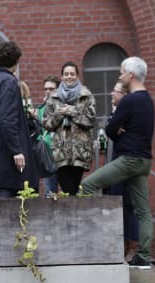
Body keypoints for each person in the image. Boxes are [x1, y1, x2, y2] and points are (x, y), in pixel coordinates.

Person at [80, 57, 155, 270]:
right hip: (144, 161)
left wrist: (119, 129)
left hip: (128, 159)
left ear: (130, 75)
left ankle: (91, 237)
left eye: (122, 72)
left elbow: (110, 129)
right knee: (142, 210)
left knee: (87, 185)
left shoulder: (129, 100)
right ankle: (144, 257)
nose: (119, 75)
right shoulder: (148, 100)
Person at [0, 41, 38, 197]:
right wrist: (17, 150)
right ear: (17, 61)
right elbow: (7, 119)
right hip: (7, 166)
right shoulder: (9, 82)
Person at [42, 61, 96, 196]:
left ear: (77, 76)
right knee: (68, 189)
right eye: (66, 74)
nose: (69, 77)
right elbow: (47, 124)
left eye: (72, 74)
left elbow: (91, 120)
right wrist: (59, 115)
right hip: (60, 152)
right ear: (61, 77)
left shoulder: (86, 95)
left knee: (73, 189)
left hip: (80, 151)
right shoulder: (54, 97)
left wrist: (72, 112)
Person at [105, 81, 140, 262]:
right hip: (114, 166)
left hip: (127, 165)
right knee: (118, 205)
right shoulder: (115, 113)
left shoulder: (130, 114)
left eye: (115, 92)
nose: (112, 94)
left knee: (130, 207)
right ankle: (123, 244)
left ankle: (133, 246)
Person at [37, 76, 61, 196]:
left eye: (51, 88)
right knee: (49, 193)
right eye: (45, 89)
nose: (47, 91)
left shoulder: (63, 106)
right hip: (48, 155)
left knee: (68, 192)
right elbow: (40, 132)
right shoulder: (41, 109)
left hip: (63, 155)